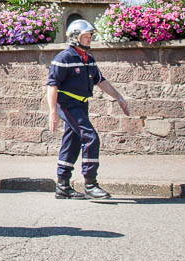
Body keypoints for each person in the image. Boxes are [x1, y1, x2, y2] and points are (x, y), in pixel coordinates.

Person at [47, 19, 129, 200]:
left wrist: (119, 97)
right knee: (90, 137)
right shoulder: (63, 59)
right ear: (76, 37)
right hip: (68, 104)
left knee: (73, 141)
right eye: (86, 36)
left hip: (82, 105)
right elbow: (52, 85)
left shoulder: (88, 60)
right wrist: (53, 112)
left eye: (90, 36)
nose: (89, 39)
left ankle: (62, 185)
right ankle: (91, 184)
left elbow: (100, 80)